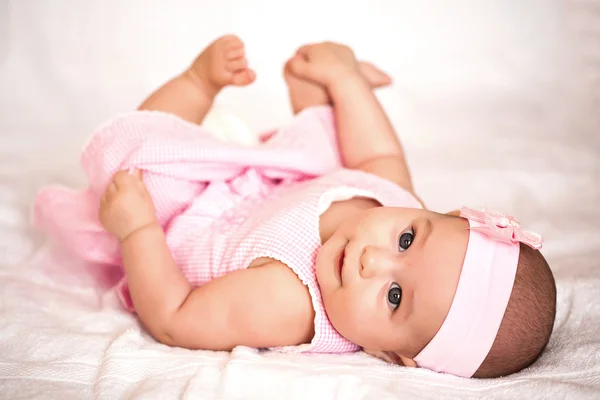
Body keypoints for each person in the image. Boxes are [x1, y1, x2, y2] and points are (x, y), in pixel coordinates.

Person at [33, 35, 557, 379]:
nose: (374, 261)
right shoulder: (393, 204)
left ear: (388, 355)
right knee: (349, 148)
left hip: (192, 215)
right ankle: (337, 82)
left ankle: (195, 86)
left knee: (146, 166)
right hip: (270, 177)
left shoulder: (289, 302)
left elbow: (175, 317)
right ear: (437, 214)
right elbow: (379, 154)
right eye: (406, 240)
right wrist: (348, 86)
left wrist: (137, 230)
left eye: (395, 296)